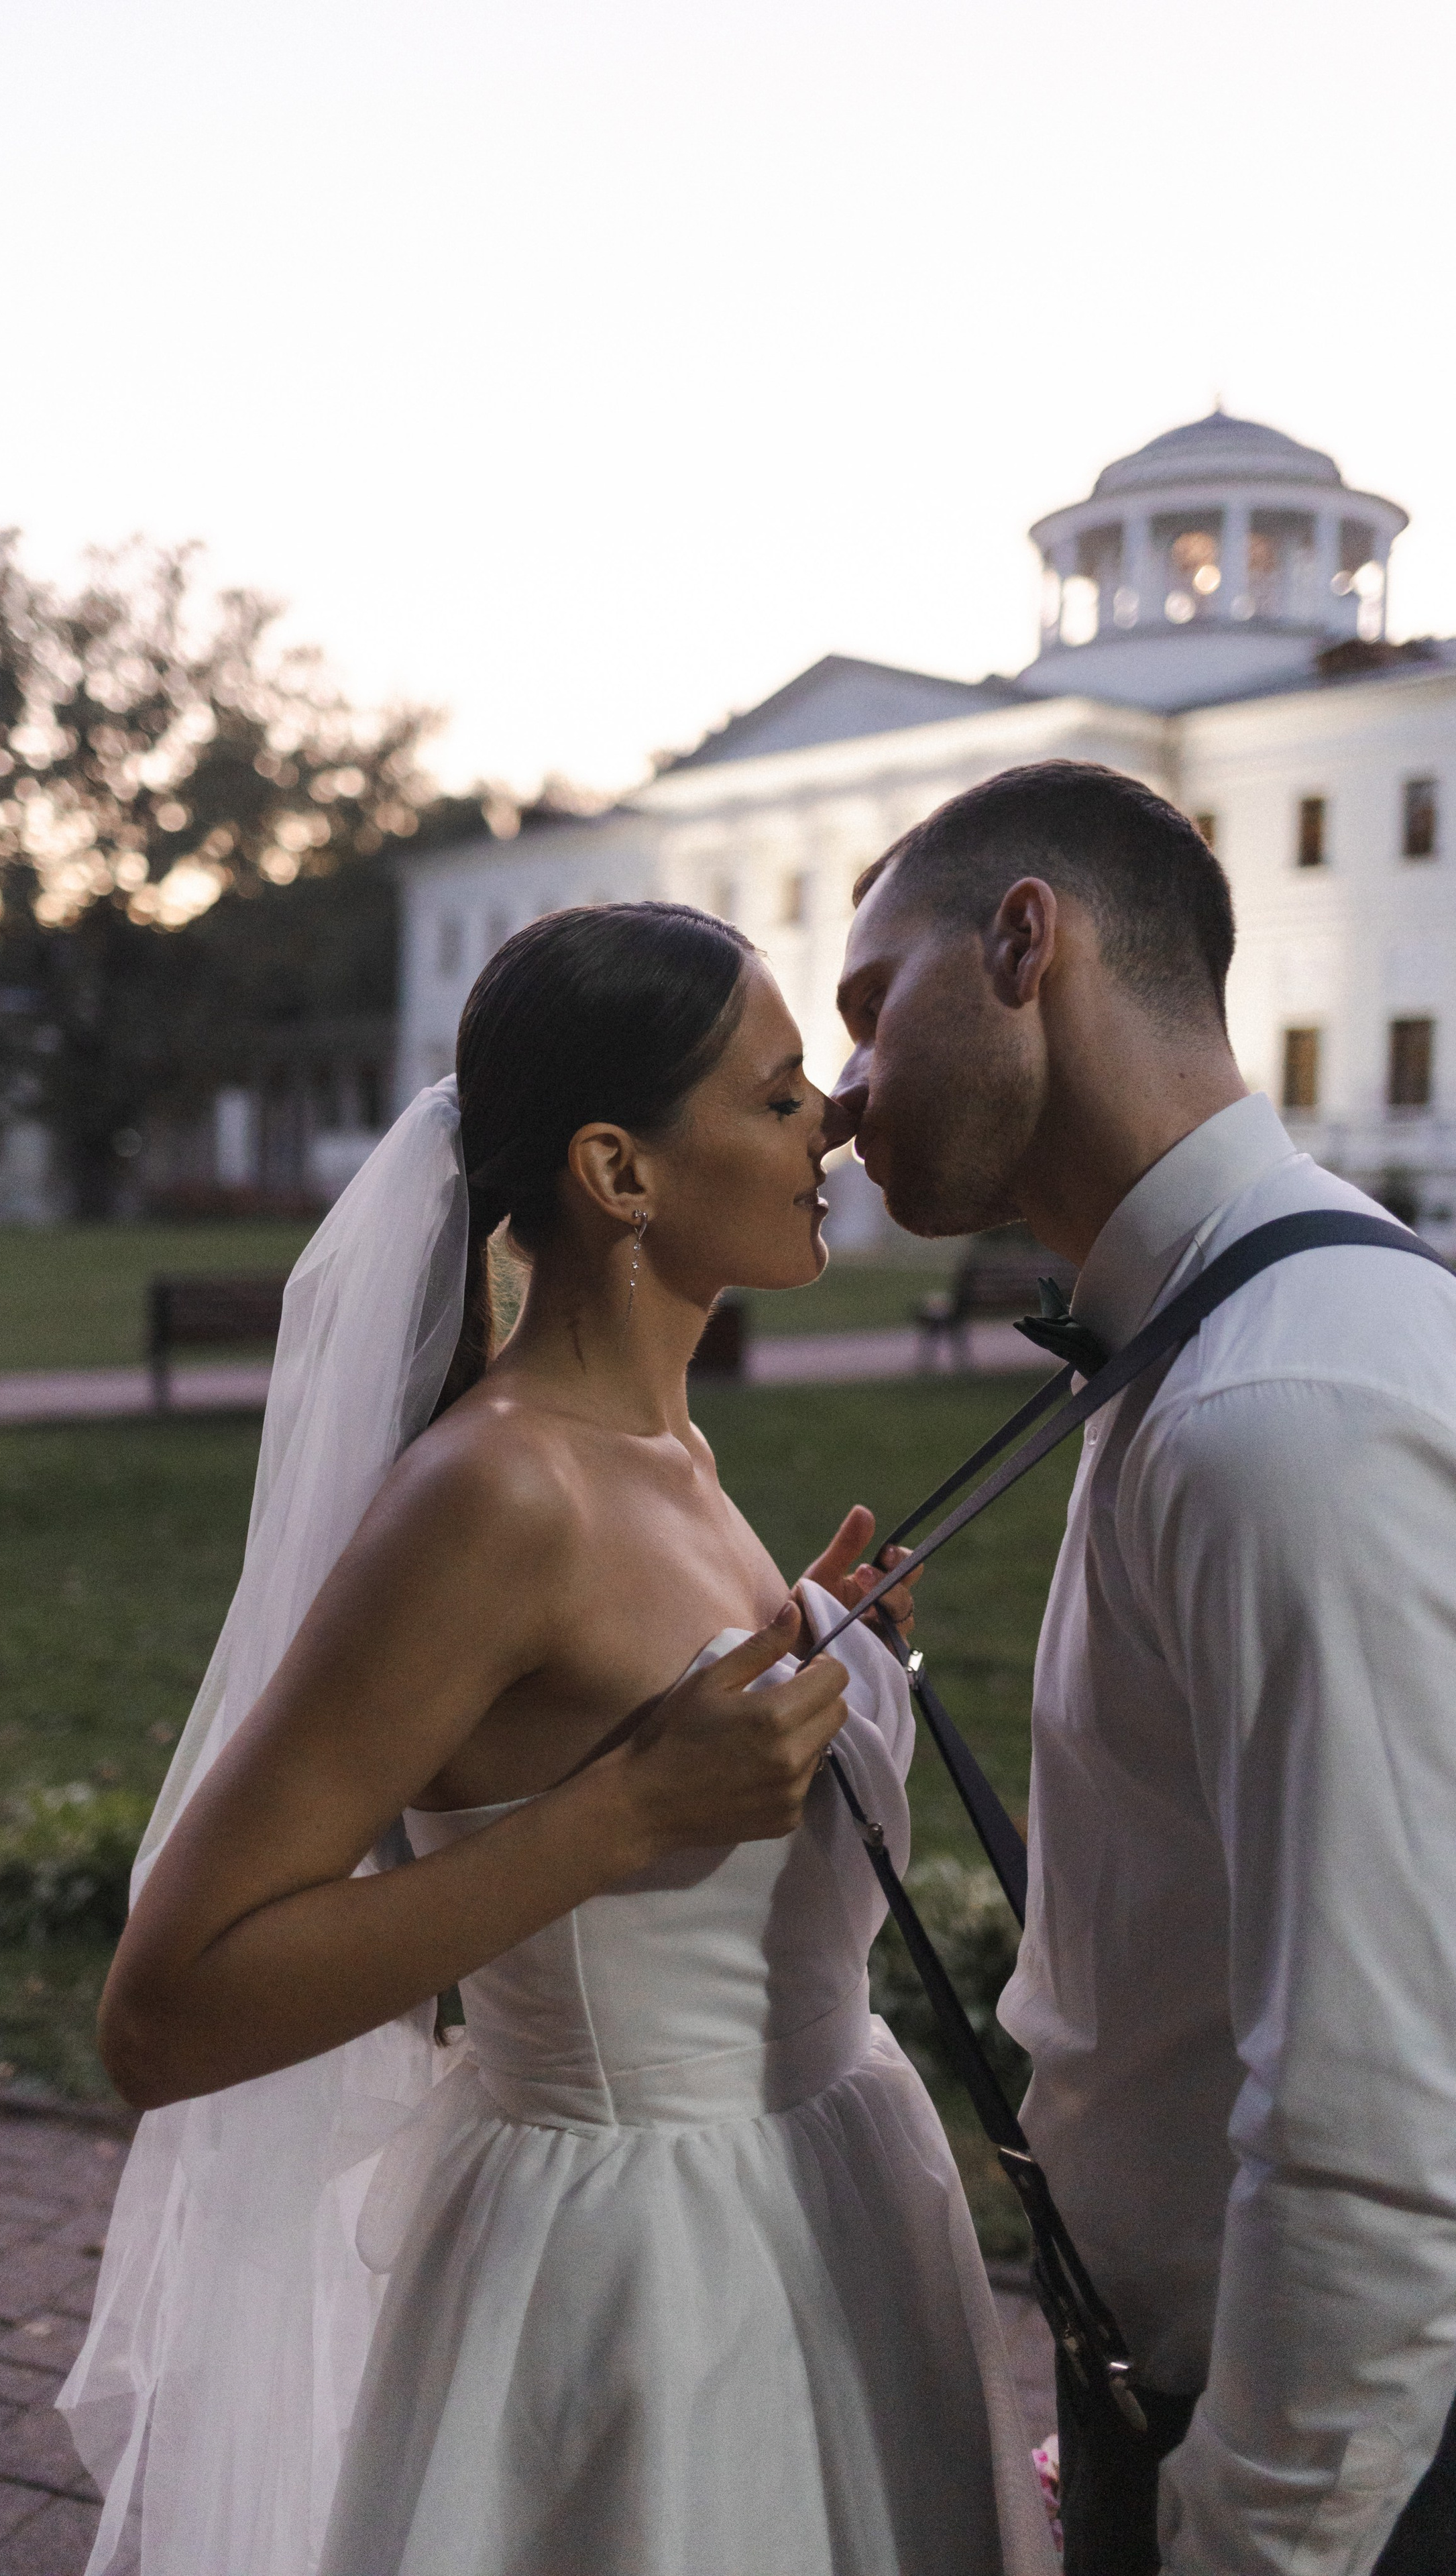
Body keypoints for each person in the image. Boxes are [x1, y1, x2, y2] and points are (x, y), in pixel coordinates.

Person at [60, 902, 1059, 2576]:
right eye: (774, 1092)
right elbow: (164, 2013)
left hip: (828, 2196)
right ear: (618, 1173)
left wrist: (803, 1647)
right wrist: (616, 1817)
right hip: (639, 2276)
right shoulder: (494, 1490)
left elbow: (607, 1719)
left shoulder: (664, 1452)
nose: (832, 1121)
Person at [828, 759, 1456, 2576]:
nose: (846, 1087)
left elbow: (1381, 2097)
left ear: (1026, 942)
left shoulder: (1286, 1404)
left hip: (1326, 2480)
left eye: (872, 1008)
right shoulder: (1224, 1338)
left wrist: (1251, 2537)